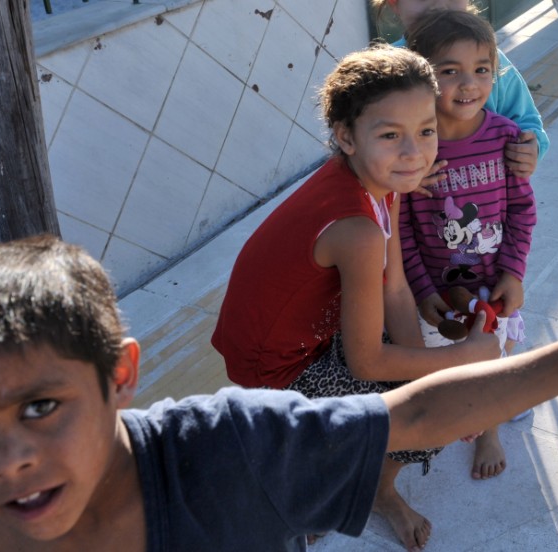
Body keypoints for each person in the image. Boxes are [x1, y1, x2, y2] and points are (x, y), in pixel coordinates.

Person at [0, 235, 558, 552]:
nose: (9, 464)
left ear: (121, 376)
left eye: (40, 407)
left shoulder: (231, 451)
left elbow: (409, 414)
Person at [211, 45, 500, 549]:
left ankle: (362, 471)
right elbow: (368, 362)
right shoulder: (357, 227)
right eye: (391, 135)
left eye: (426, 130)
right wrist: (456, 367)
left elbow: (395, 289)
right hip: (275, 372)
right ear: (346, 136)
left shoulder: (377, 180)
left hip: (308, 339)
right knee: (434, 419)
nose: (414, 153)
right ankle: (371, 490)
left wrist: (436, 371)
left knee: (432, 390)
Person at [399, 9, 537, 495]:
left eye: (482, 68)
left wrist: (515, 273)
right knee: (451, 364)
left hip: (496, 284)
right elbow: (402, 232)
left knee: (496, 360)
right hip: (439, 293)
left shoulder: (505, 138)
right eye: (449, 70)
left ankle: (491, 430)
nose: (469, 83)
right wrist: (419, 291)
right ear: (422, 76)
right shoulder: (414, 151)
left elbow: (523, 213)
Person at [371, 0, 549, 181]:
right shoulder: (385, 69)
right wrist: (398, 177)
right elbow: (367, 142)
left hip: (492, 202)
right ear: (394, 3)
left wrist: (530, 148)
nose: (439, 5)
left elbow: (526, 120)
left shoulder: (487, 59)